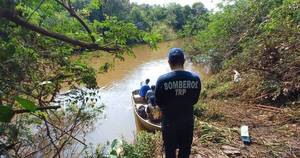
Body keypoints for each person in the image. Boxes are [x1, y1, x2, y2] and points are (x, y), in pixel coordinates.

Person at [155, 48, 201, 158]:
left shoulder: (162, 80)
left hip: (169, 123)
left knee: (170, 150)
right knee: (185, 149)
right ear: (184, 61)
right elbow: (194, 100)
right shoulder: (195, 78)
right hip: (187, 121)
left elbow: (159, 103)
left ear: (169, 62)